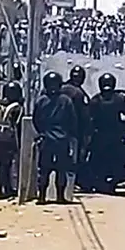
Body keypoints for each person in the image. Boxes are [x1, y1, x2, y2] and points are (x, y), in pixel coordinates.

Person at [33, 71, 77, 204]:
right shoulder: (66, 101)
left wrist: (42, 132)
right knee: (61, 169)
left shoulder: (41, 101)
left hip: (46, 139)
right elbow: (73, 121)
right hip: (62, 140)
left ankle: (42, 197)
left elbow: (36, 120)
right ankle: (60, 196)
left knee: (44, 169)